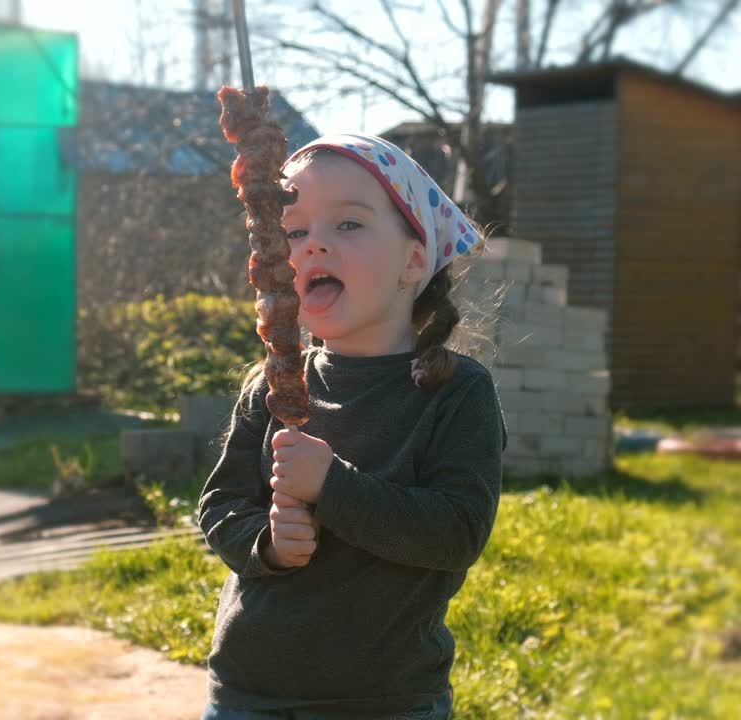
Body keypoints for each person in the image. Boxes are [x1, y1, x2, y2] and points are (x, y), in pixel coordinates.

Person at [196, 133, 508, 720]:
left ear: (413, 261)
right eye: (295, 232)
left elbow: (457, 532)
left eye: (348, 226)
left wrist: (332, 486)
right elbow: (220, 505)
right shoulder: (271, 386)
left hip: (382, 699)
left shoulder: (454, 392)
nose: (313, 246)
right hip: (248, 691)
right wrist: (265, 543)